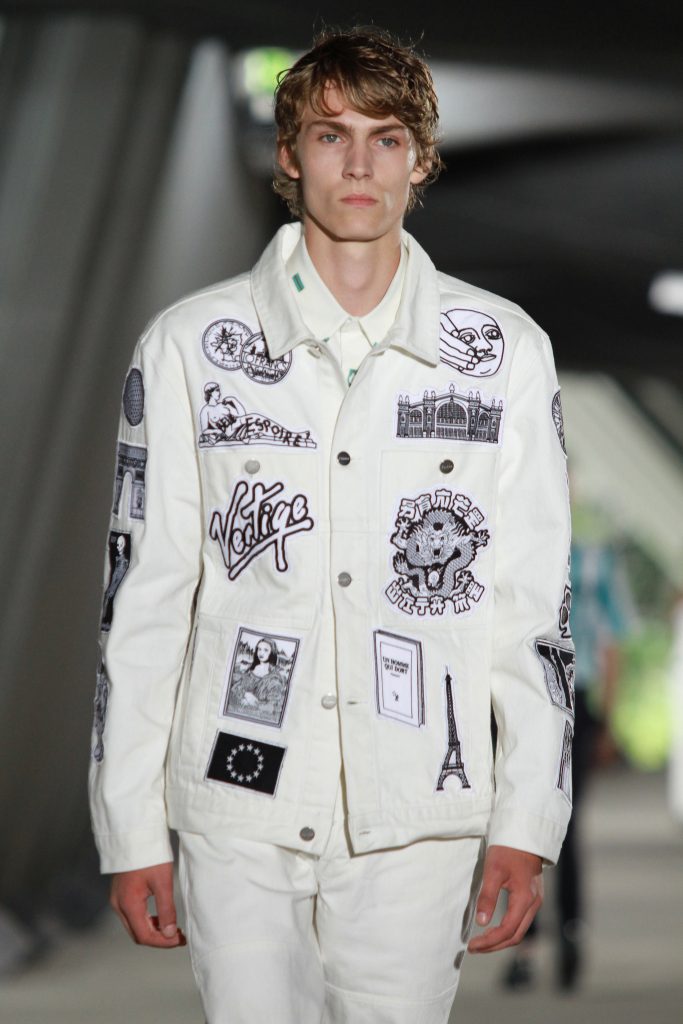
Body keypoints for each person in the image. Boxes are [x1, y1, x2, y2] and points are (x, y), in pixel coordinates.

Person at [89, 27, 574, 1024]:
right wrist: (128, 828)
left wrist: (529, 821)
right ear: (287, 153)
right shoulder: (193, 348)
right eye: (330, 135)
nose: (359, 165)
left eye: (386, 138)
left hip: (420, 818)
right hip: (237, 805)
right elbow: (145, 600)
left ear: (420, 160)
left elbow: (531, 609)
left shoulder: (500, 355)